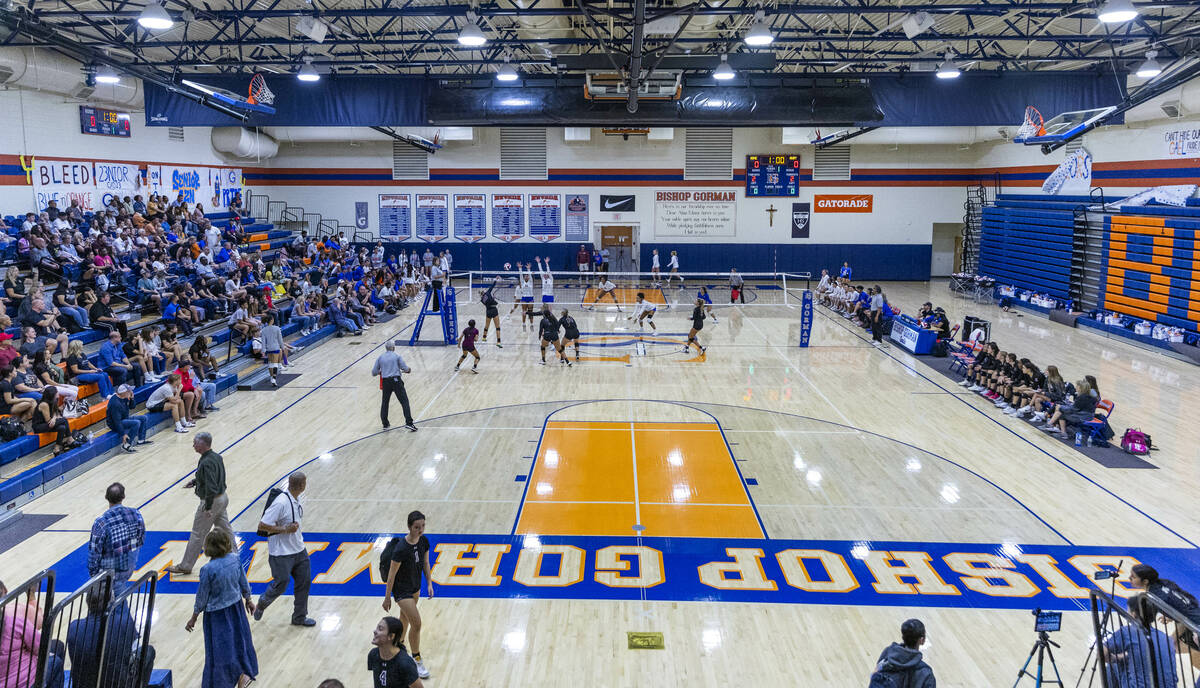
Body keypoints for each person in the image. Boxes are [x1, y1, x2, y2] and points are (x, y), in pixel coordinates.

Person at [185, 530, 259, 688]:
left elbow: (202, 597)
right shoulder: (235, 559)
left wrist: (194, 617)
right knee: (240, 641)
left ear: (208, 547)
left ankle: (222, 682)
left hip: (216, 615)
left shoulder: (208, 569)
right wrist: (249, 599)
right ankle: (243, 673)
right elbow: (243, 581)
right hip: (237, 609)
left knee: (220, 650)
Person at [253, 472, 315, 627]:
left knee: (304, 582)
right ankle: (262, 602)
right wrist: (286, 529)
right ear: (302, 486)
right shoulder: (280, 503)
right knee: (281, 584)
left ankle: (299, 617)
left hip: (299, 550)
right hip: (281, 554)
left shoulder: (296, 498)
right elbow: (262, 525)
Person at [66, 584, 154, 688]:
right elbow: (131, 651)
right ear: (111, 601)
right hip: (118, 682)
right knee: (148, 651)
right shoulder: (124, 622)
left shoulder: (74, 626)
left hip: (84, 683)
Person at [168, 432, 231, 575]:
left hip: (212, 501)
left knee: (198, 533)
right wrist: (195, 482)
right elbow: (212, 478)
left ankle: (186, 565)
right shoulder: (216, 457)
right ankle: (235, 556)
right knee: (226, 529)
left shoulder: (207, 461)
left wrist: (208, 507)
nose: (193, 446)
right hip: (223, 498)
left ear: (202, 444)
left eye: (195, 443)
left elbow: (211, 486)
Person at [382, 511, 434, 680]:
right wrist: (387, 597)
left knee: (404, 619)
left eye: (423, 526)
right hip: (402, 591)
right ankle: (416, 659)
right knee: (417, 624)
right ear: (410, 527)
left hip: (415, 587)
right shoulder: (401, 549)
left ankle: (397, 650)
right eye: (417, 527)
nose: (420, 530)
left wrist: (429, 584)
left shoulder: (424, 542)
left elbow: (426, 563)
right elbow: (391, 575)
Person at [1103, 593, 1177, 688]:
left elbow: (1101, 654)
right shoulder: (1166, 638)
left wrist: (1114, 658)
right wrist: (1124, 656)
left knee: (1113, 666)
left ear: (1133, 614)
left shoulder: (1127, 632)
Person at [86, 482, 146, 593]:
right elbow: (141, 539)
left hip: (108, 572)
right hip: (129, 566)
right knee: (118, 598)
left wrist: (94, 574)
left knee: (110, 605)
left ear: (106, 498)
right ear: (123, 497)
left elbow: (94, 553)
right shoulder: (136, 514)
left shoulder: (101, 522)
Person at [871, 618, 935, 688]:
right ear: (921, 640)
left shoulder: (888, 653)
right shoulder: (926, 673)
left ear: (903, 637)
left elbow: (875, 674)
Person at [368, 617, 424, 688]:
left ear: (391, 636)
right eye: (377, 628)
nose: (375, 631)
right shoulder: (373, 654)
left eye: (380, 629)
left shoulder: (405, 663)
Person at [372, 342, 416, 431]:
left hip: (385, 382)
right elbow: (405, 368)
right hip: (396, 381)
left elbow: (374, 372)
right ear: (393, 347)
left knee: (385, 402)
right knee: (404, 402)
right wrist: (408, 370)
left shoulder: (380, 357)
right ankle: (409, 423)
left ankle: (385, 424)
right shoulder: (397, 356)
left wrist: (381, 371)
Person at [106, 384, 151, 452]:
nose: (131, 392)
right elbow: (117, 421)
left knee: (143, 418)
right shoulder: (115, 403)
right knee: (136, 423)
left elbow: (132, 407)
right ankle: (126, 445)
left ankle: (141, 440)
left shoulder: (124, 397)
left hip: (124, 418)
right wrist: (123, 434)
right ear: (124, 392)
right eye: (129, 391)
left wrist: (132, 399)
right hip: (115, 424)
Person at [33, 387, 72, 455]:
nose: (58, 393)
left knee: (62, 427)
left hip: (48, 423)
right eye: (57, 392)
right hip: (39, 426)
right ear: (52, 394)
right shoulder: (44, 404)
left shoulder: (54, 400)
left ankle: (57, 448)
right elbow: (48, 420)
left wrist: (54, 418)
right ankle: (70, 439)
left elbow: (55, 412)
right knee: (64, 420)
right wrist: (54, 419)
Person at [261, 313, 289, 387]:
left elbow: (263, 341)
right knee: (275, 363)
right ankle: (274, 378)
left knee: (270, 363)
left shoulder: (263, 330)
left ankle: (271, 377)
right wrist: (283, 348)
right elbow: (280, 340)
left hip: (268, 348)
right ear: (272, 320)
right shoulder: (277, 328)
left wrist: (263, 351)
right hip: (275, 347)